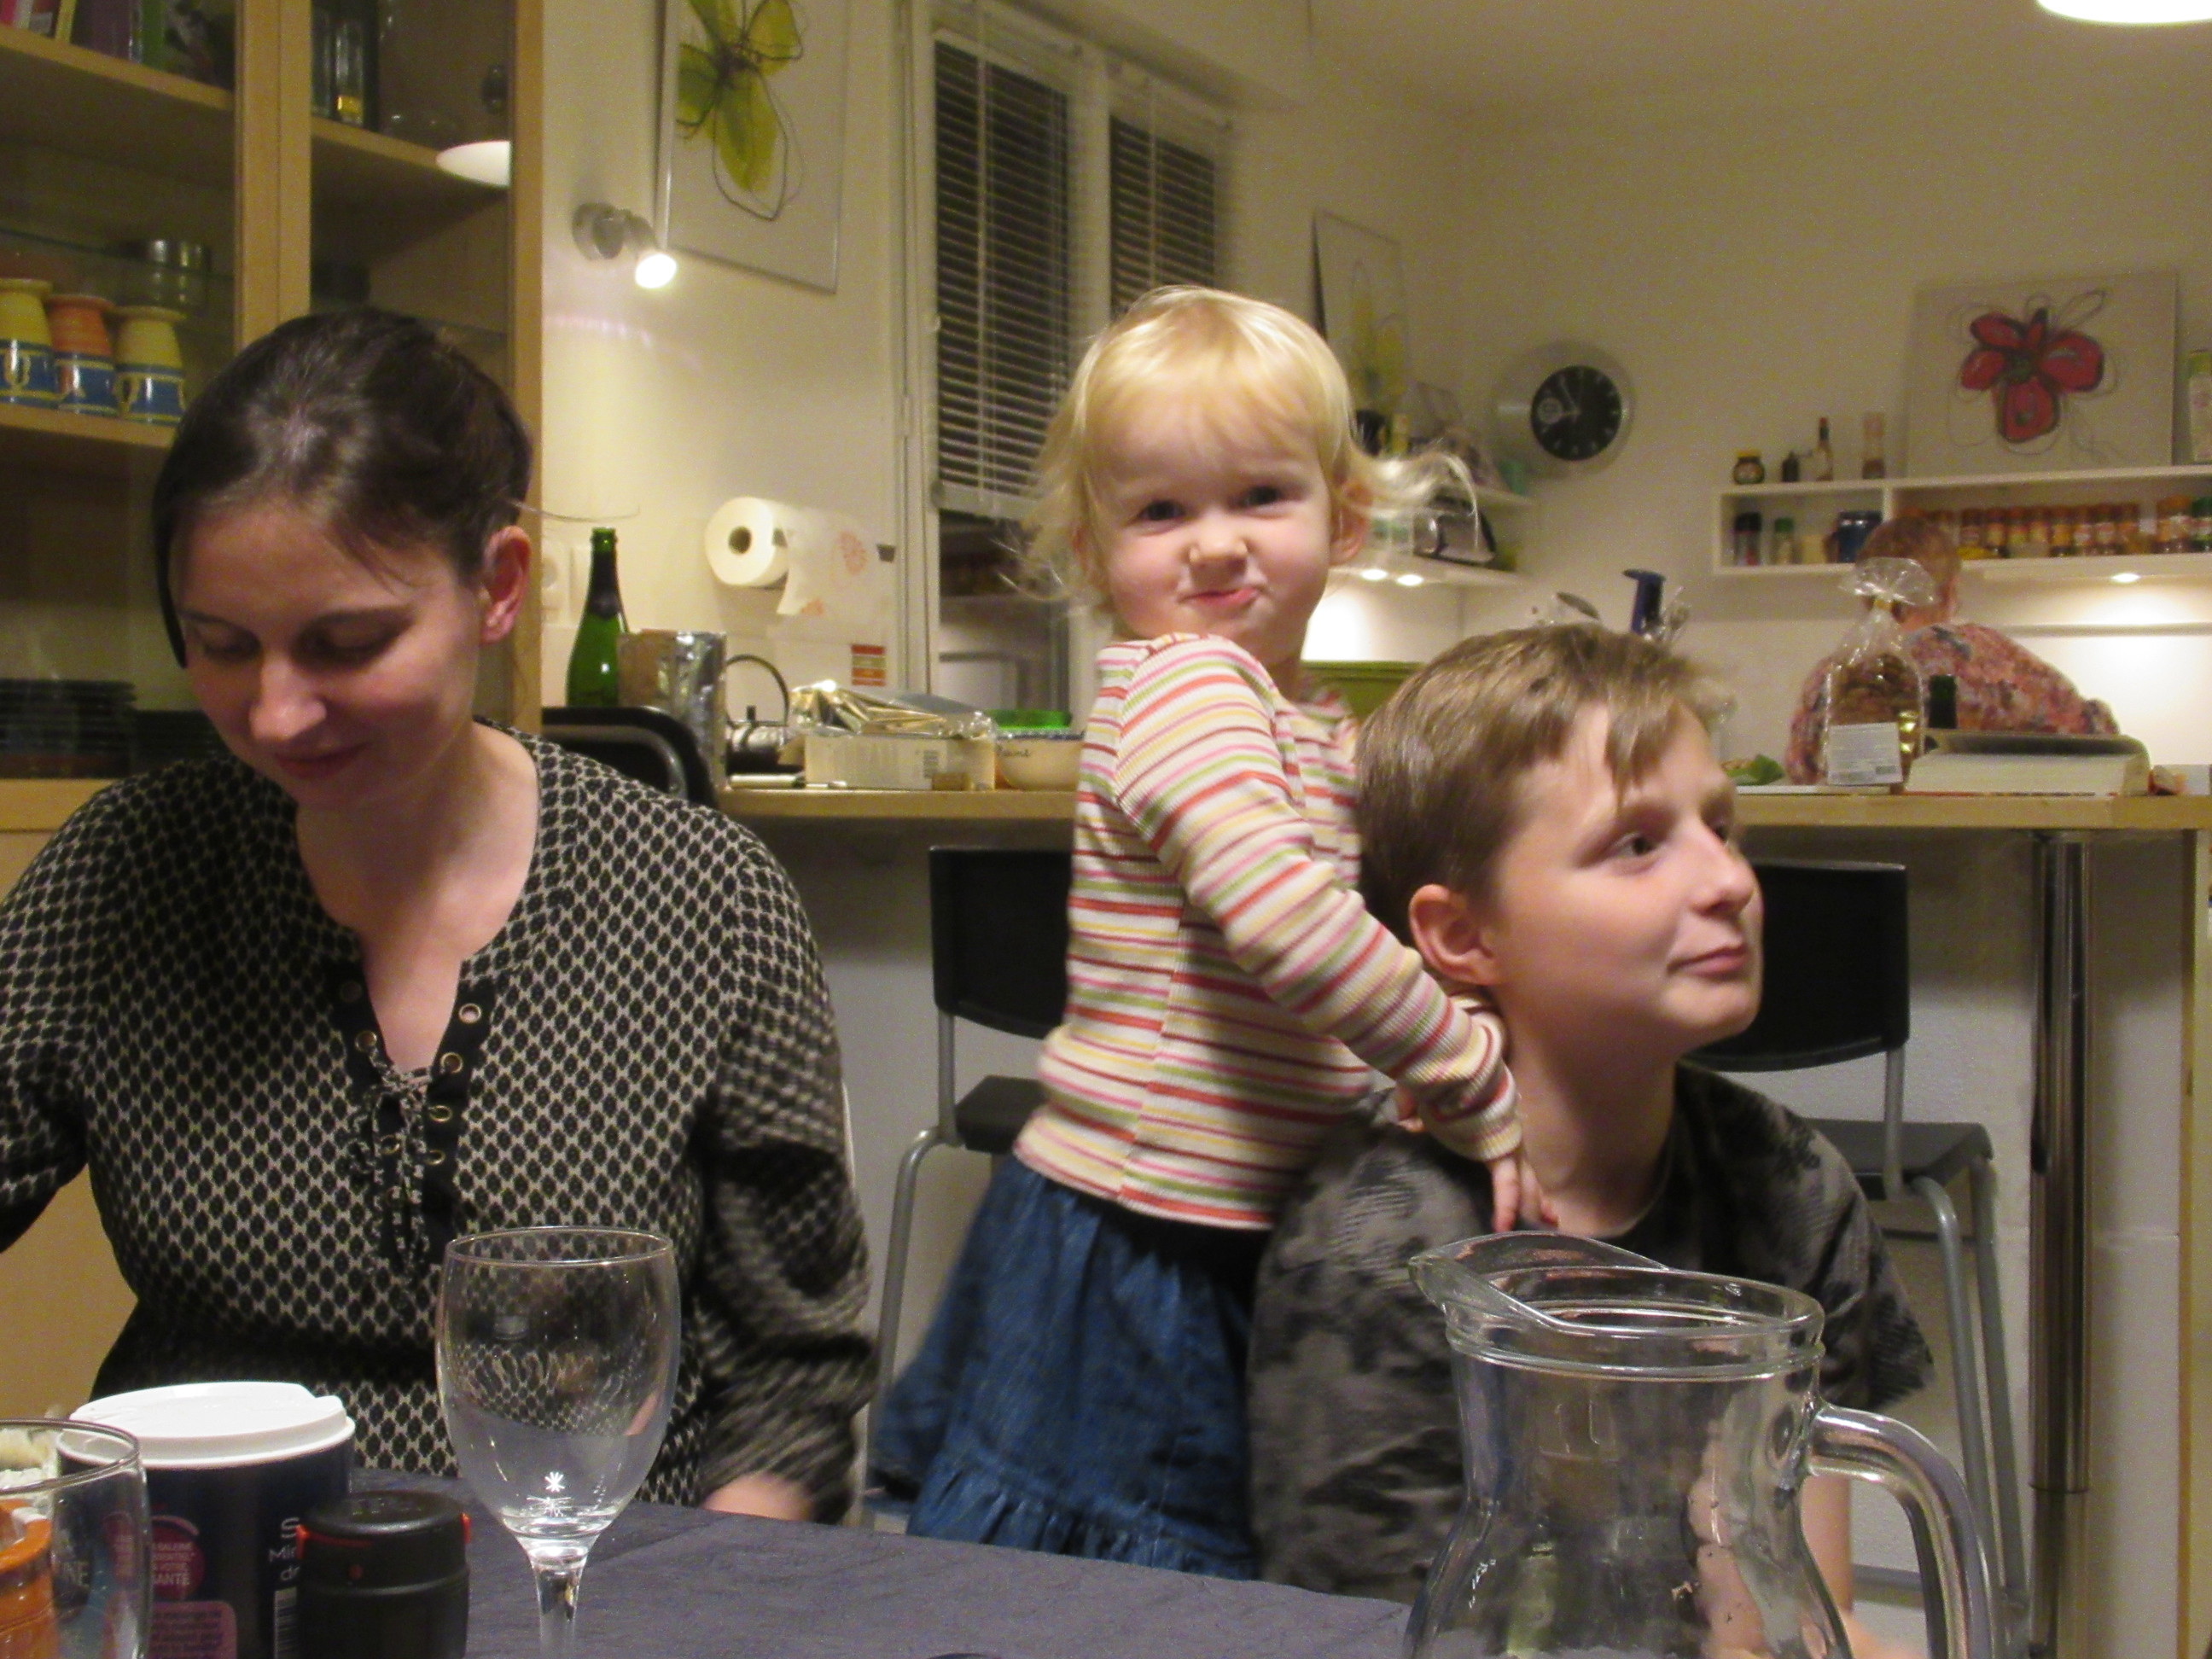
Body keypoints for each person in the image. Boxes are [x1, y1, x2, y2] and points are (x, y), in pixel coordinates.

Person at [0, 309, 871, 1519]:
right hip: (208, 1565)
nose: (278, 712)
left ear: (496, 587)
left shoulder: (701, 900)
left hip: (595, 1565)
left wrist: (700, 1593)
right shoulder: (126, 876)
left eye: (348, 643)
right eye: (222, 645)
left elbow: (792, 1370)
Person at [870, 287, 1522, 1578]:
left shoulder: (1302, 718)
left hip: (1186, 1213)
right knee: (1135, 1582)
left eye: (1260, 497)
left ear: (1343, 517)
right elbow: (1285, 922)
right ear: (1093, 545)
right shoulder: (1190, 688)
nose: (1215, 547)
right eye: (1161, 511)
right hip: (1148, 1232)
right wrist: (1468, 1070)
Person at [1246, 624, 1931, 1657]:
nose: (1730, 882)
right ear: (1462, 936)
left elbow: (1803, 1614)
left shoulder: (1790, 1183)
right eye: (1638, 844)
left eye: (1721, 827)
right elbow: (1372, 1632)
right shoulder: (1377, 1247)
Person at [1785, 514, 2117, 782]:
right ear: (1950, 589)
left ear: (1866, 593)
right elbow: (2095, 734)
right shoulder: (1984, 657)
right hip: (1974, 839)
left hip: (1853, 840)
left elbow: (1800, 769)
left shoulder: (1833, 673)